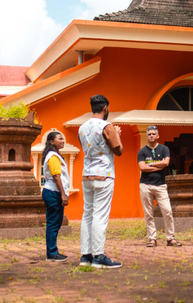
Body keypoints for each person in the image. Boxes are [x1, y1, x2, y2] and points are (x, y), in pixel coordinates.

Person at [78, 94, 124, 269]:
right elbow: (118, 150)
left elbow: (86, 149)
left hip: (87, 174)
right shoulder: (107, 126)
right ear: (105, 108)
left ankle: (85, 255)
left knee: (87, 214)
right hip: (104, 174)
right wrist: (117, 135)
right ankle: (98, 256)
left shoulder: (81, 128)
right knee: (100, 216)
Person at [138, 125, 182, 247]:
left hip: (160, 185)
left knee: (167, 211)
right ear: (147, 136)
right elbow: (142, 167)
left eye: (153, 134)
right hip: (145, 185)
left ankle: (170, 238)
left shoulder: (164, 149)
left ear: (158, 136)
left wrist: (150, 165)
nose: (151, 136)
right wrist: (158, 165)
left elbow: (166, 163)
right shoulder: (142, 151)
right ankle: (152, 239)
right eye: (149, 134)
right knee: (149, 213)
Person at [41, 130, 70, 262]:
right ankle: (52, 253)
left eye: (63, 139)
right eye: (59, 139)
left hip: (54, 192)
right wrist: (63, 194)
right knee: (53, 223)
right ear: (51, 142)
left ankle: (53, 251)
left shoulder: (55, 155)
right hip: (53, 192)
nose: (62, 141)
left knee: (56, 222)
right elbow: (56, 176)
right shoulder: (53, 156)